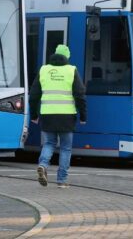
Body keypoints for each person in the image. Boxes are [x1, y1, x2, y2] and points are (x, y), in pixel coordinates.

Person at [30, 44, 86, 188]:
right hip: (67, 116)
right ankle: (62, 180)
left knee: (49, 143)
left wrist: (34, 114)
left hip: (47, 115)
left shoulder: (44, 70)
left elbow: (34, 95)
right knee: (65, 148)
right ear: (67, 57)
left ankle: (43, 165)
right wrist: (83, 116)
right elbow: (80, 95)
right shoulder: (71, 70)